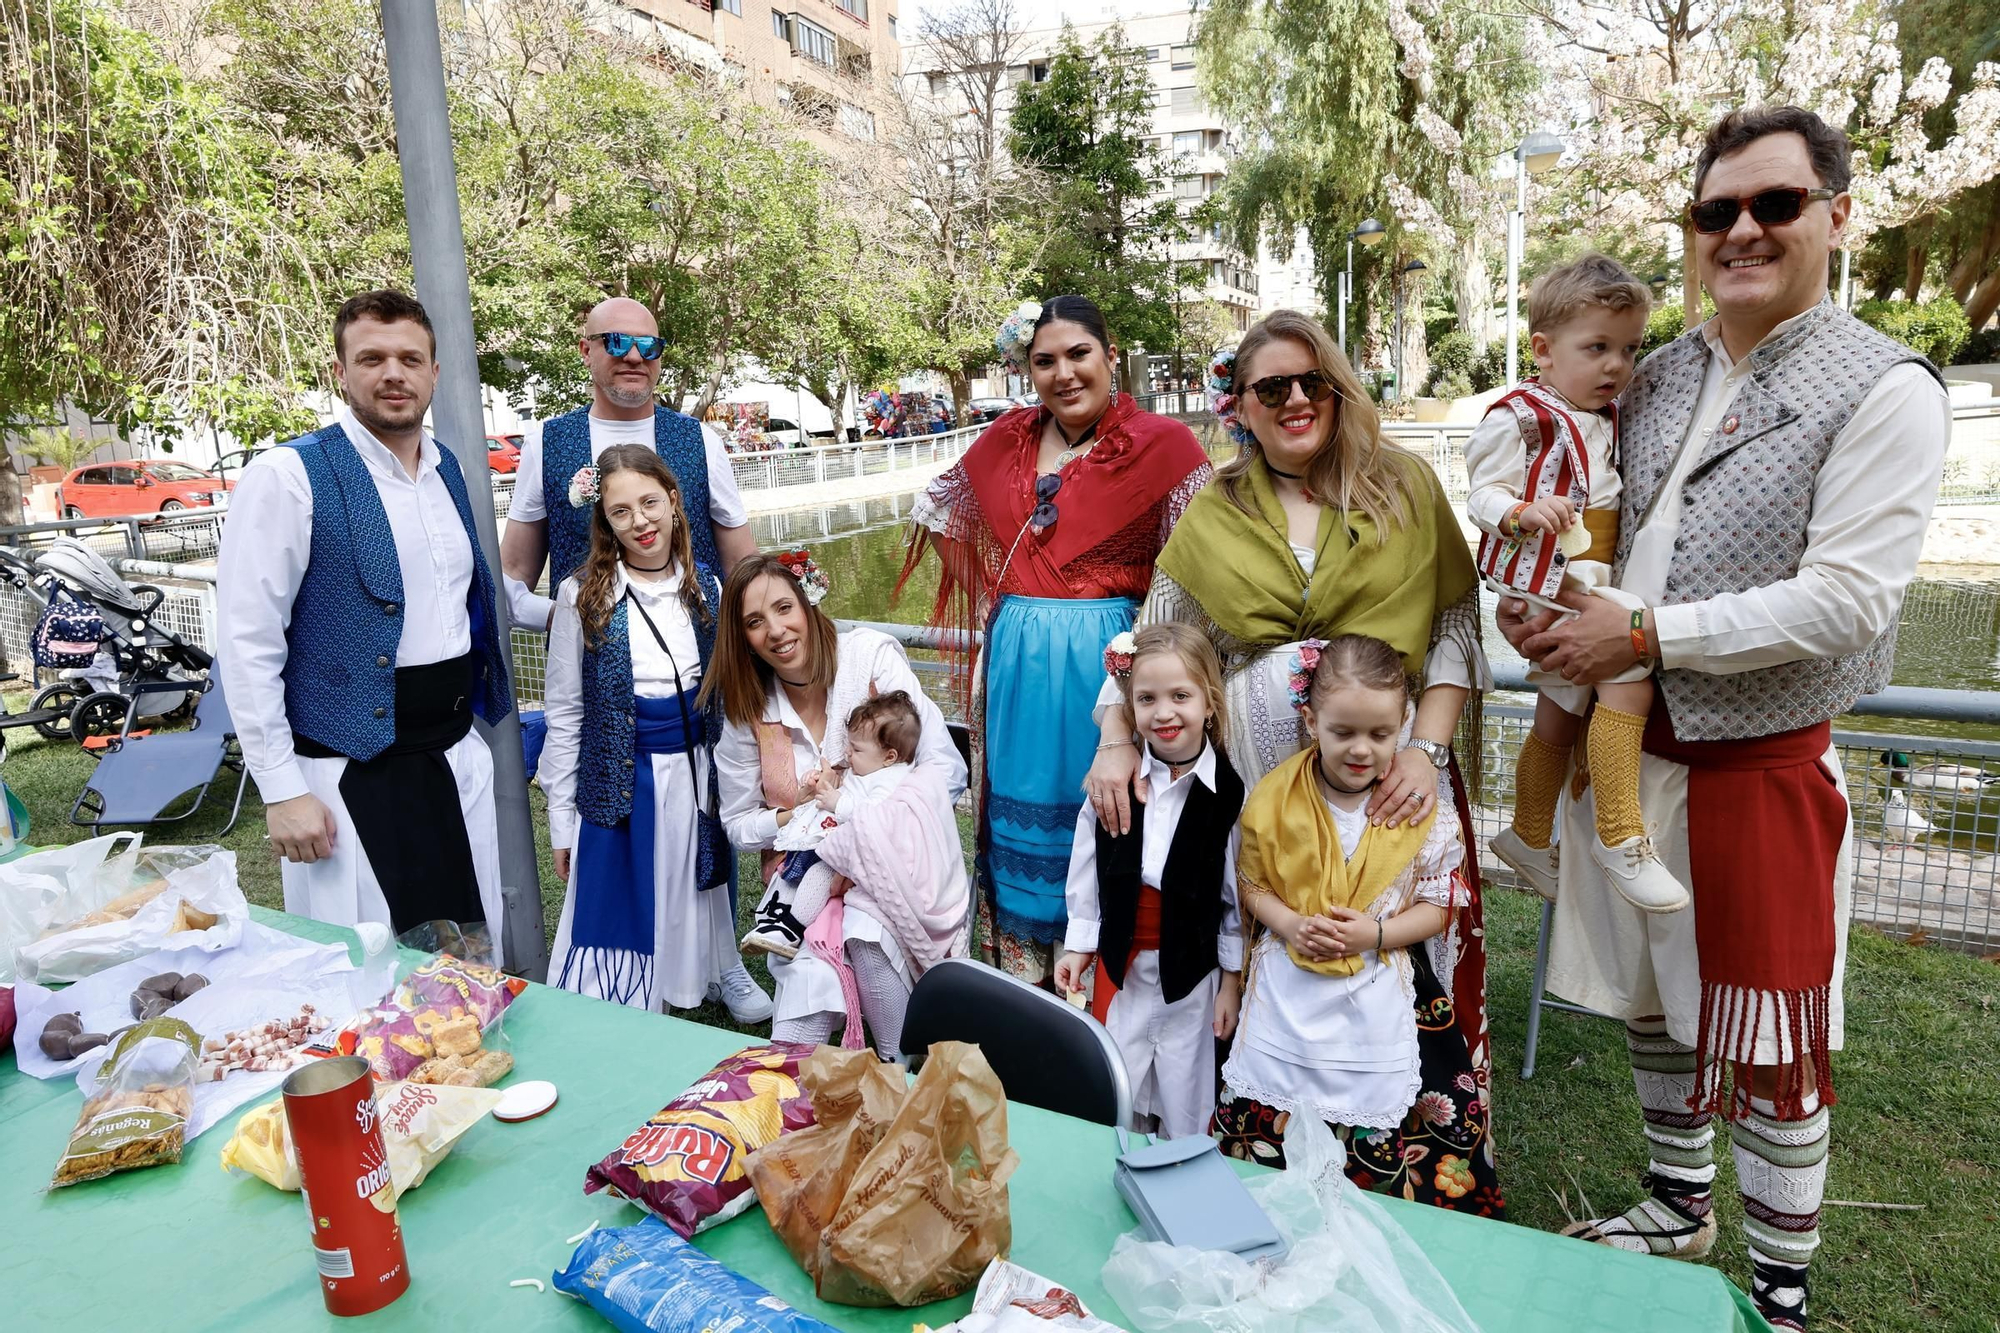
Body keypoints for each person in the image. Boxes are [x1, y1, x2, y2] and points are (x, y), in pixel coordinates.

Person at [1501, 108, 1951, 1332]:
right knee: (1653, 995)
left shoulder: (1882, 387)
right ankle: (1674, 1199)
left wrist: (1640, 638)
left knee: (1761, 1027)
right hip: (1629, 743)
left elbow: (1847, 599)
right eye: (1715, 212)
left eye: (1773, 204)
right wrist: (1544, 615)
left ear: (1836, 218)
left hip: (1757, 763)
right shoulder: (1655, 373)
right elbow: (1595, 517)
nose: (1741, 230)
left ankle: (1780, 1285)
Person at [1084, 309, 1499, 1196]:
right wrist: (1118, 736)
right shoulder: (1213, 508)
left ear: (1342, 387)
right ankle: (1267, 1167)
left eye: (1315, 381)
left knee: (1397, 960)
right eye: (1273, 386)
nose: (1298, 399)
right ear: (1242, 403)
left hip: (1390, 783)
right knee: (1270, 954)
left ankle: (1420, 1174)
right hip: (1262, 796)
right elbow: (1157, 638)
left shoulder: (1408, 489)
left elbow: (1457, 630)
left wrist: (1425, 748)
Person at [901, 295, 1212, 986]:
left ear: (1110, 353)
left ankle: (1113, 992)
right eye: (1044, 360)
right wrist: (1003, 598)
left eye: (1078, 354)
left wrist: (1136, 650)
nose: (1064, 373)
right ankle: (1027, 990)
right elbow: (941, 509)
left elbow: (1193, 573)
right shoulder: (1007, 438)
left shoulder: (1166, 445)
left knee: (1117, 810)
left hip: (1116, 667)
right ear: (1026, 368)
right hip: (1015, 667)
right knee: (1019, 821)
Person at [217, 290, 511, 939]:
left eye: (410, 357)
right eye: (371, 357)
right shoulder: (289, 475)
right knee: (366, 970)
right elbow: (246, 641)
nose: (393, 373)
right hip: (345, 774)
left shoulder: (448, 470)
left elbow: (458, 602)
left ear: (435, 371)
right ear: (340, 371)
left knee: (465, 960)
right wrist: (280, 787)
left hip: (454, 755)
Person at [1213, 635, 1497, 1214]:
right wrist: (1289, 924)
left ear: (1405, 725)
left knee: (1402, 1128)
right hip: (1289, 985)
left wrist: (1377, 935)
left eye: (1380, 734)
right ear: (1312, 720)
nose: (1361, 750)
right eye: (1343, 732)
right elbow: (1251, 883)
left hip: (1384, 981)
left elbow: (1439, 905)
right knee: (1270, 1126)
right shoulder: (1271, 799)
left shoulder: (1421, 809)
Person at [1468, 254, 1686, 913]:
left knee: (1560, 709)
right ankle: (1620, 832)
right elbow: (1481, 488)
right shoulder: (1521, 416)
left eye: (1628, 348)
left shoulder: (1605, 413)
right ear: (1543, 350)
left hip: (1589, 562)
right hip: (1551, 566)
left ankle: (1529, 831)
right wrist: (1518, 512)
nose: (1617, 366)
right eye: (1597, 348)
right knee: (1629, 667)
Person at [538, 445, 772, 1022]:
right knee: (639, 881)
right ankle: (635, 984)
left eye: (649, 503)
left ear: (672, 501)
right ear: (605, 523)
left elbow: (733, 694)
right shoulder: (581, 597)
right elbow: (566, 712)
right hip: (624, 768)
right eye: (621, 512)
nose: (640, 522)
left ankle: (719, 963)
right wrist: (561, 821)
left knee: (702, 875)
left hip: (698, 762)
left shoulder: (708, 590)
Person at [710, 553, 969, 1057]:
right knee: (797, 1032)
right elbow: (738, 825)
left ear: (808, 603)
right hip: (807, 885)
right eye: (755, 622)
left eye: (784, 608)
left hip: (896, 872)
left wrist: (869, 838)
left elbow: (942, 771)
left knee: (869, 942)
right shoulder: (748, 710)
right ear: (742, 637)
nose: (777, 631)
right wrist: (795, 814)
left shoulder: (869, 658)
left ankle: (899, 1067)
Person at [1053, 624, 1245, 1140]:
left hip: (1191, 980)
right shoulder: (1115, 783)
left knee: (1186, 1097)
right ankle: (1117, 1162)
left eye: (1180, 696)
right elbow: (1087, 868)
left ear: (1209, 702)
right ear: (1129, 706)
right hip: (1124, 972)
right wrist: (1080, 946)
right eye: (1147, 698)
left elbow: (1232, 901)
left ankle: (1183, 1174)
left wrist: (1229, 982)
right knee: (1119, 1085)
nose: (1163, 713)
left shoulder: (1227, 794)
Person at [499, 297, 756, 632]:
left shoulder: (701, 440)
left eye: (649, 346)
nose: (634, 357)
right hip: (590, 668)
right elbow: (515, 570)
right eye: (616, 342)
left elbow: (740, 561)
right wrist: (561, 619)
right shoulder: (545, 444)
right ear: (586, 350)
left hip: (701, 661)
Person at [747, 689, 923, 958]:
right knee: (791, 865)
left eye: (856, 749)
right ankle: (772, 919)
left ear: (890, 756)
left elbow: (874, 816)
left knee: (818, 877)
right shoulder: (870, 768)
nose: (847, 753)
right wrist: (824, 784)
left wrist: (837, 802)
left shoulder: (892, 780)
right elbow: (850, 788)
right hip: (833, 842)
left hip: (852, 856)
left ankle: (793, 928)